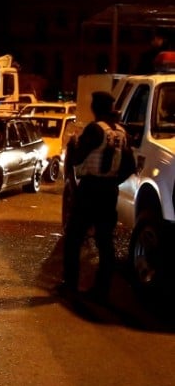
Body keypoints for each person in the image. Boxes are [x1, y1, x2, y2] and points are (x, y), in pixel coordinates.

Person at [61, 91, 135, 302]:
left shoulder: (94, 130)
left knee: (74, 238)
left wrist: (73, 145)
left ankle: (71, 284)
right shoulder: (121, 132)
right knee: (105, 241)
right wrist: (113, 180)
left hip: (90, 190)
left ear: (95, 108)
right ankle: (102, 289)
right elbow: (129, 165)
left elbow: (77, 159)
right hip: (109, 191)